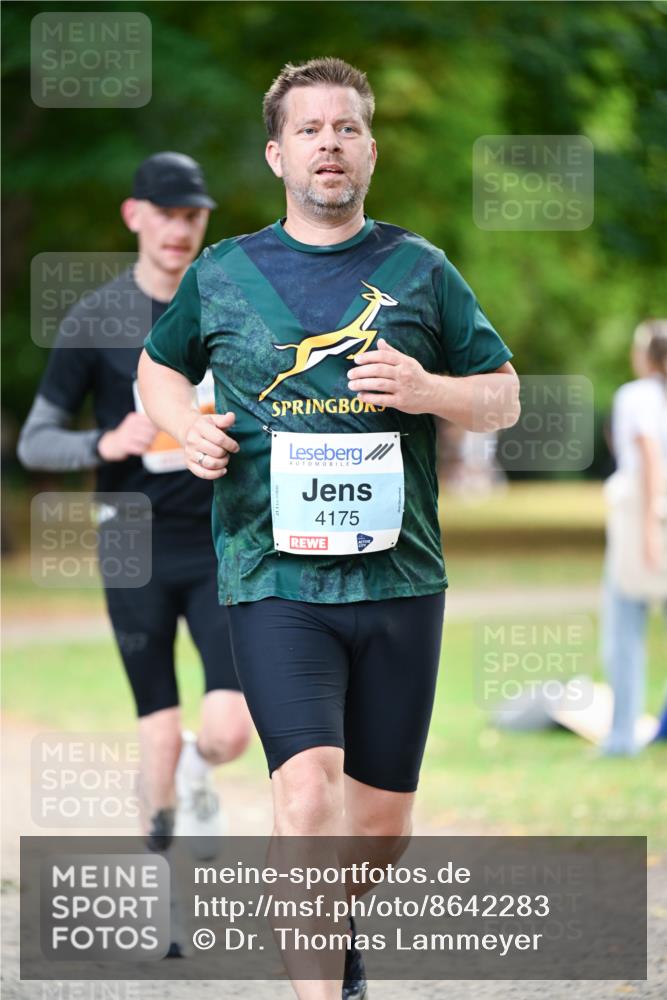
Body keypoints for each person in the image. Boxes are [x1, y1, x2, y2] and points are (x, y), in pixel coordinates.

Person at [138, 59, 520, 1000]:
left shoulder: (420, 270)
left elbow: (504, 397)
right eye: (309, 130)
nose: (329, 145)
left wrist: (429, 391)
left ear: (370, 149)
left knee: (382, 826)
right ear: (278, 154)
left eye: (346, 128)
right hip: (272, 578)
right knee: (306, 795)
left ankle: (330, 922)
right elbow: (157, 369)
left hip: (400, 581)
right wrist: (187, 426)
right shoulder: (224, 272)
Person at [18, 152, 254, 874]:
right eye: (167, 214)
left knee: (228, 732)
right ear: (135, 217)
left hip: (221, 536)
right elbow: (35, 442)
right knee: (155, 733)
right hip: (132, 545)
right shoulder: (97, 319)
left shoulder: (230, 309)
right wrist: (102, 438)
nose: (180, 229)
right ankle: (160, 888)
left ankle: (197, 765)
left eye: (193, 216)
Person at [601, 319, 667, 755]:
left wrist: (652, 522)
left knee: (624, 631)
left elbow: (647, 453)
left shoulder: (637, 395)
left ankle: (623, 737)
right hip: (653, 510)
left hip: (641, 514)